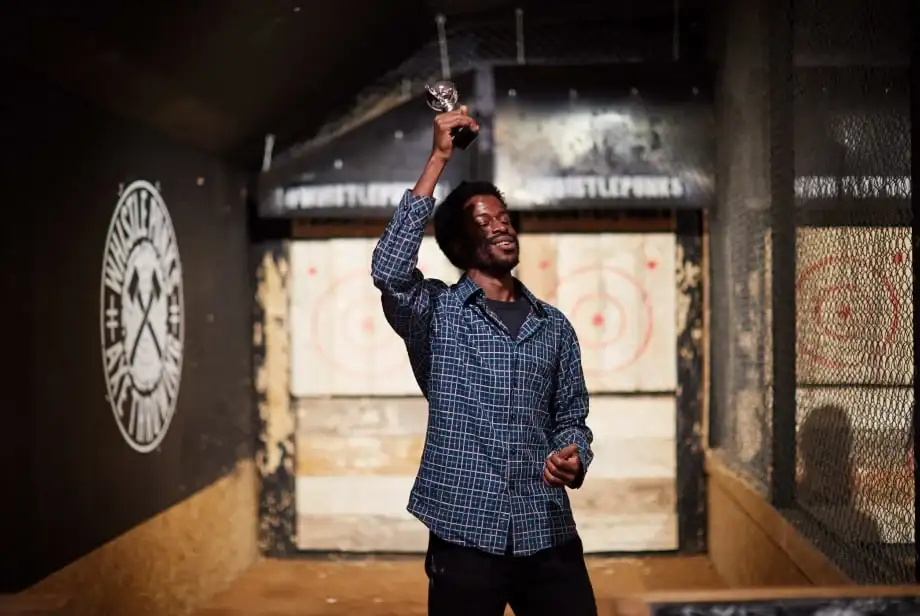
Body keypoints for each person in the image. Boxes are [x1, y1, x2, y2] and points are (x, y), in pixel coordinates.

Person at [371, 104, 597, 616]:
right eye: (484, 220)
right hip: (463, 532)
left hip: (547, 531)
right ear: (458, 242)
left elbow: (572, 418)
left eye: (504, 217)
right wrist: (437, 158)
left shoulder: (554, 325)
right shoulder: (435, 314)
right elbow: (388, 270)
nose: (501, 227)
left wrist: (573, 454)